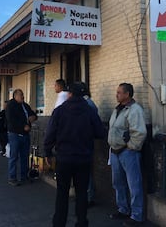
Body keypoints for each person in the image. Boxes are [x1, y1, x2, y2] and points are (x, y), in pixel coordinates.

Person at [44, 82, 107, 227]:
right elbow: (100, 132)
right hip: (83, 159)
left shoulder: (60, 111)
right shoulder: (89, 111)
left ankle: (59, 223)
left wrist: (48, 152)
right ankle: (82, 222)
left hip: (64, 159)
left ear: (70, 94)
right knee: (82, 193)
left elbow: (50, 134)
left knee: (62, 193)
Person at [108, 83, 147, 226]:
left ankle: (137, 215)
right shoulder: (117, 109)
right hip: (115, 151)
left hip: (128, 152)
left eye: (119, 92)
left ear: (127, 94)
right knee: (118, 183)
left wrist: (131, 147)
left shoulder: (134, 110)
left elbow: (140, 132)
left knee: (134, 184)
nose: (116, 94)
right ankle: (123, 209)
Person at [5, 89, 37, 186]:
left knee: (24, 157)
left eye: (23, 95)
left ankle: (24, 176)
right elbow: (11, 120)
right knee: (14, 157)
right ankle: (12, 178)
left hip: (25, 135)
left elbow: (32, 114)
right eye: (20, 95)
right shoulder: (11, 106)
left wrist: (33, 117)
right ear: (15, 96)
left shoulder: (25, 105)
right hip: (15, 134)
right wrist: (23, 126)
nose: (22, 96)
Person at [82, 84, 98, 207]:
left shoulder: (88, 105)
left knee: (85, 171)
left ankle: (88, 197)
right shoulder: (88, 104)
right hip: (85, 142)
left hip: (85, 143)